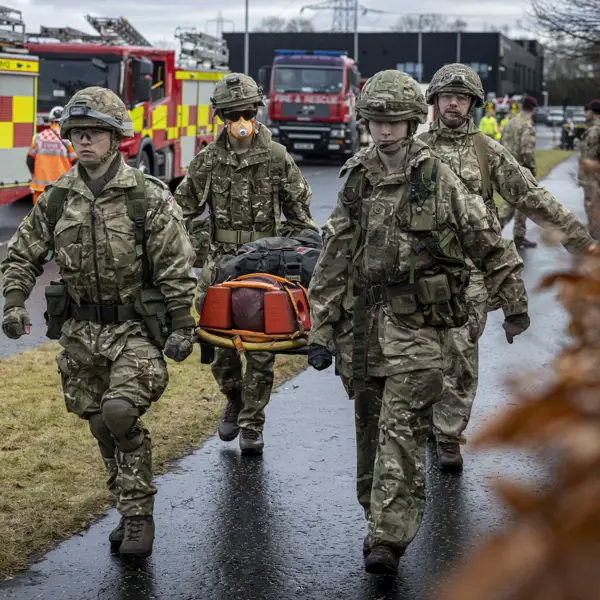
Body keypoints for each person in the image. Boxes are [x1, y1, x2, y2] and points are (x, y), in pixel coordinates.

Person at [306, 69, 529, 575]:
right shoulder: (357, 177)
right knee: (369, 432)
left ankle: (390, 536)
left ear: (411, 121)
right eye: (376, 122)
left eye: (394, 122)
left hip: (418, 330)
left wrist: (514, 302)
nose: (384, 131)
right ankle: (376, 517)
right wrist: (320, 328)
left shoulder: (437, 178)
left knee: (401, 430)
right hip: (362, 330)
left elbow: (487, 241)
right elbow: (334, 256)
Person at [1, 87, 197, 558]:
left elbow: (175, 265)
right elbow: (22, 253)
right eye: (78, 134)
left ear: (116, 139)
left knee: (120, 413)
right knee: (99, 425)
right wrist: (12, 303)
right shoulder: (57, 199)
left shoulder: (146, 196)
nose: (84, 142)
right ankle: (125, 501)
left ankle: (137, 517)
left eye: (94, 134)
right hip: (80, 334)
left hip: (135, 329)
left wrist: (182, 325)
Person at [419, 64, 593, 471]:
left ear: (473, 104)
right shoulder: (416, 149)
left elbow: (533, 198)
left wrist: (581, 243)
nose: (454, 103)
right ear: (435, 101)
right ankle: (428, 419)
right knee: (424, 354)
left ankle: (448, 433)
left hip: (470, 273)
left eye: (462, 97)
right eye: (447, 96)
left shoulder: (487, 151)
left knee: (460, 350)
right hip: (419, 271)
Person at [174, 73, 317, 455]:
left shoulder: (276, 157)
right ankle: (233, 399)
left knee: (262, 346)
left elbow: (301, 219)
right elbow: (180, 212)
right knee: (218, 344)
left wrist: (283, 253)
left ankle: (253, 423)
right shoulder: (207, 160)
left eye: (246, 113)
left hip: (264, 266)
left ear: (256, 113)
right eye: (232, 114)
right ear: (220, 116)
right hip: (221, 267)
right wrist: (190, 249)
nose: (240, 121)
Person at [499, 95, 539, 248]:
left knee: (516, 203)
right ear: (533, 109)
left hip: (507, 168)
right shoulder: (527, 125)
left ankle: (513, 234)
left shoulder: (510, 123)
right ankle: (511, 234)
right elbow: (527, 151)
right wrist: (533, 170)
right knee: (518, 204)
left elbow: (501, 144)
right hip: (521, 170)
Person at [27, 105, 77, 204]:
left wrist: (37, 175)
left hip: (40, 189)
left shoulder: (38, 137)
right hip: (61, 188)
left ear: (50, 121)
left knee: (39, 218)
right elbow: (76, 162)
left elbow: (29, 160)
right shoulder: (68, 139)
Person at [579, 99, 600, 239]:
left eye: (588, 111)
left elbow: (589, 156)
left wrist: (582, 173)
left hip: (593, 175)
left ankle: (595, 238)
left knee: (593, 205)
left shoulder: (595, 130)